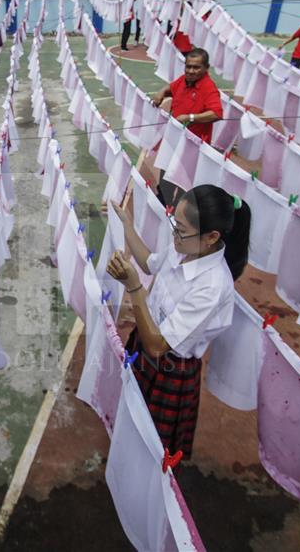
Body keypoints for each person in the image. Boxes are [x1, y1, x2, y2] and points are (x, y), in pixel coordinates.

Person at [105, 185, 251, 459]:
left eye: (181, 229)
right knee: (131, 415)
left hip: (169, 367)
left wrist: (134, 287)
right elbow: (149, 263)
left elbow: (159, 346)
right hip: (145, 338)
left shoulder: (212, 285)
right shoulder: (184, 247)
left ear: (211, 237)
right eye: (175, 224)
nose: (174, 234)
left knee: (153, 448)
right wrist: (127, 224)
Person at [151, 48, 223, 205]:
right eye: (188, 66)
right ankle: (164, 201)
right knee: (165, 174)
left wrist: (191, 118)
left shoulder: (208, 88)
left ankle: (178, 210)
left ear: (206, 68)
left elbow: (216, 113)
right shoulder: (184, 80)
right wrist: (161, 92)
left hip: (191, 146)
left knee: (183, 182)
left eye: (196, 67)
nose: (191, 71)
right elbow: (171, 88)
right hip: (173, 138)